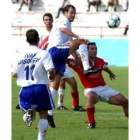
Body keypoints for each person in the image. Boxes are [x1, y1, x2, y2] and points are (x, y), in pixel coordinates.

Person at [47, 5, 100, 127]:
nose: (73, 15)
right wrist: (78, 37)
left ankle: (49, 113)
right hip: (55, 50)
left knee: (55, 84)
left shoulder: (68, 24)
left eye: (74, 13)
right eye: (71, 13)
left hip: (58, 55)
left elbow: (69, 41)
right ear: (65, 13)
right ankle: (86, 68)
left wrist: (75, 55)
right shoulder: (63, 20)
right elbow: (64, 31)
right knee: (81, 41)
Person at [67, 42, 129, 129]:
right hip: (91, 89)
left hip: (104, 88)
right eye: (91, 49)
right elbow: (64, 59)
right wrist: (74, 52)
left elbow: (104, 67)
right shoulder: (79, 62)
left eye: (95, 49)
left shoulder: (100, 60)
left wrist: (110, 73)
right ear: (86, 51)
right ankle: (91, 123)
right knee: (90, 96)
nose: (94, 50)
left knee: (126, 102)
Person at [11, 29, 56, 140]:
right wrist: (52, 77)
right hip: (41, 87)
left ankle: (27, 114)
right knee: (44, 113)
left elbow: (14, 73)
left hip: (26, 88)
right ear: (38, 40)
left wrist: (22, 76)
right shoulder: (44, 53)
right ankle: (41, 138)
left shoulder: (20, 54)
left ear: (27, 40)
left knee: (25, 109)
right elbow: (51, 70)